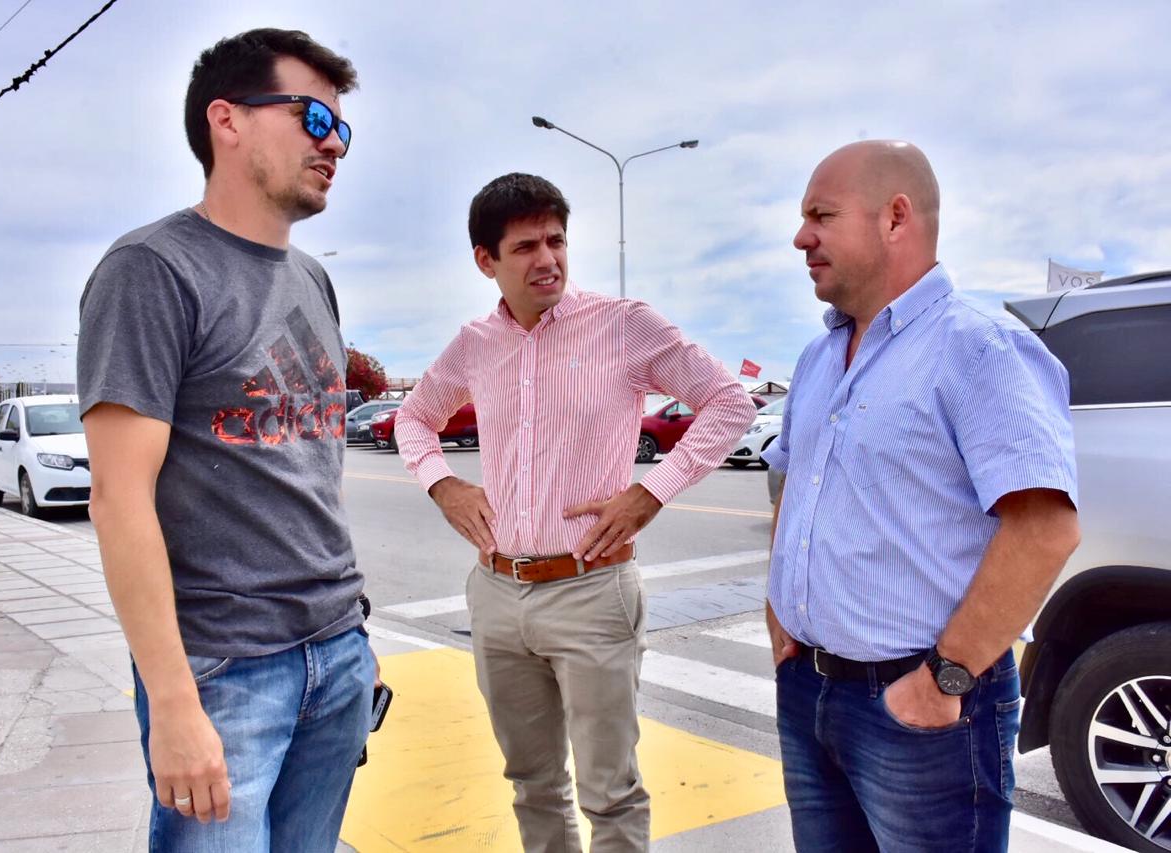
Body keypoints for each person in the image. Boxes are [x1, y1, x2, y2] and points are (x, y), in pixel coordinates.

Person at [395, 172, 755, 852]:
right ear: (486, 260)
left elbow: (730, 402)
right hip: (498, 592)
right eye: (525, 247)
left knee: (610, 793)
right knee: (532, 783)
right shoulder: (475, 343)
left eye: (556, 241)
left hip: (592, 590)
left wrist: (651, 491)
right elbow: (414, 418)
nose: (547, 260)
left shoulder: (624, 326)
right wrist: (444, 485)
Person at [76, 29, 373, 853]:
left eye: (343, 129)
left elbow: (313, 472)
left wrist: (354, 635)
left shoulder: (313, 279)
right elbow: (118, 498)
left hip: (337, 654)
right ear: (228, 119)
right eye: (314, 117)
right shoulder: (151, 269)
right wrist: (173, 702)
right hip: (225, 671)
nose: (333, 144)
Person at [764, 140, 1081, 852]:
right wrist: (779, 613)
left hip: (921, 709)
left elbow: (1044, 529)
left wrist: (944, 678)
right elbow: (794, 480)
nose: (801, 237)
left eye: (821, 215)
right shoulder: (818, 356)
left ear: (895, 217)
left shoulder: (980, 348)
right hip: (808, 690)